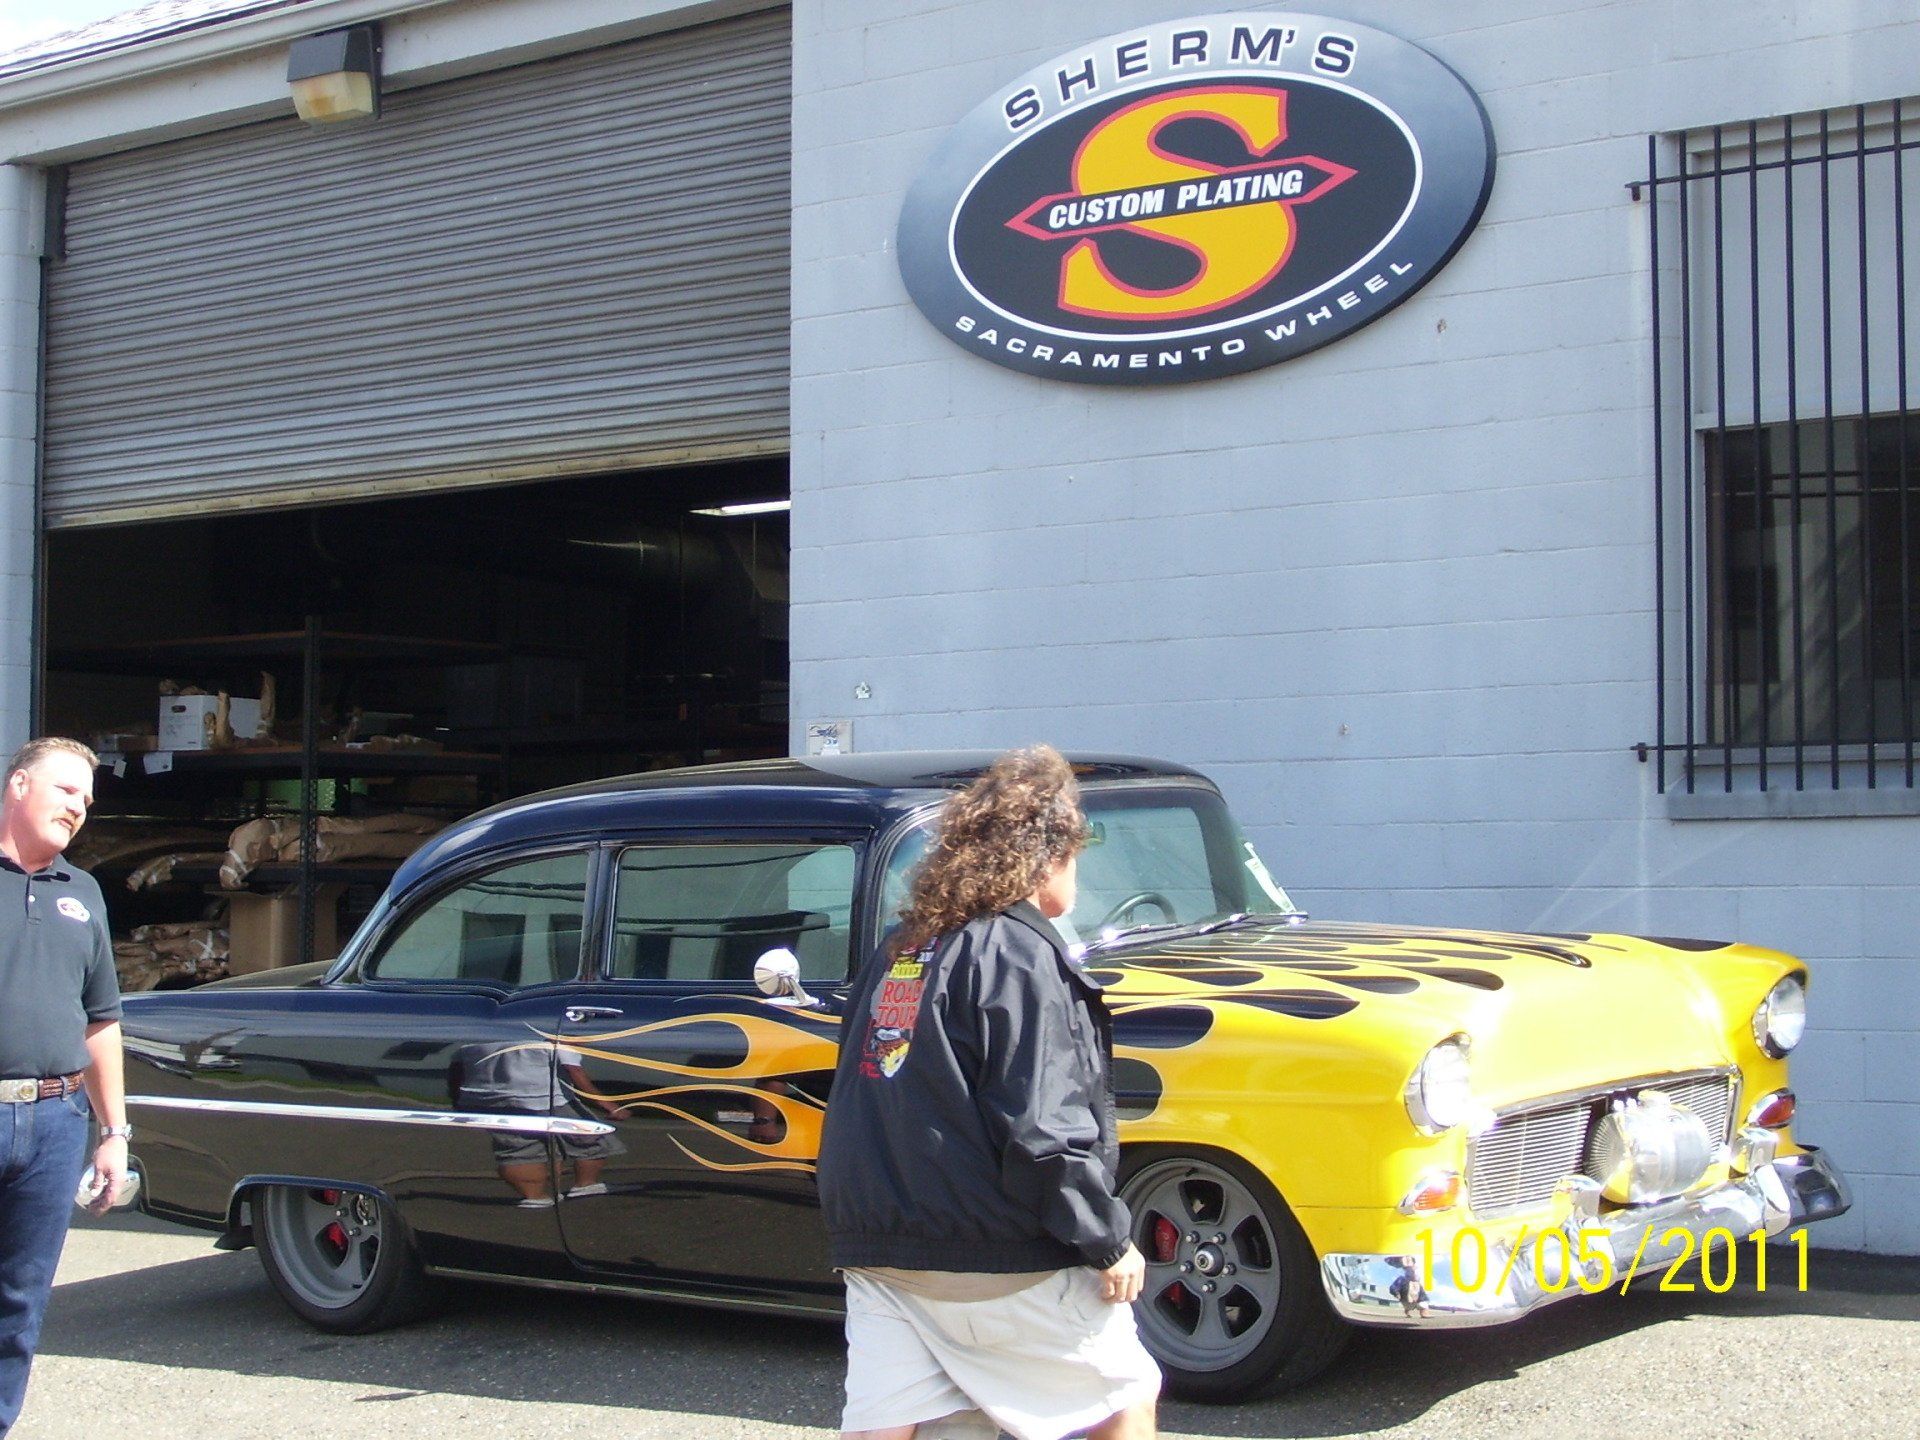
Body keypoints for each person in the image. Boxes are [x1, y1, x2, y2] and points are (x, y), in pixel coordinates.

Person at [816, 745, 1160, 1440]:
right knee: (1123, 1396)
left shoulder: (905, 946)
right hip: (990, 1249)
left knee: (906, 1422)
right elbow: (1042, 1127)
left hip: (878, 1243)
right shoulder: (1018, 955)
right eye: (1077, 854)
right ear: (1045, 856)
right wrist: (1108, 1239)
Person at [0, 737, 128, 1437]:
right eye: (65, 791)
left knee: (20, 1304)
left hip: (54, 1124)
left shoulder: (82, 893)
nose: (78, 808)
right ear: (19, 786)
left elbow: (102, 1019)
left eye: (85, 799)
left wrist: (114, 1133)